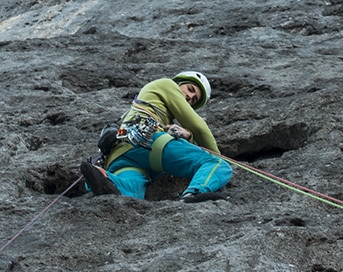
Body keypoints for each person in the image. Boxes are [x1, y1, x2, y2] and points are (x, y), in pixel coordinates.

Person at [80, 71, 232, 202]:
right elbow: (199, 126)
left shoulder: (150, 107)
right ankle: (193, 194)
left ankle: (104, 177)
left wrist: (187, 135)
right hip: (149, 142)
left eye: (193, 99)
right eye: (190, 89)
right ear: (179, 83)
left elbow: (189, 133)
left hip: (119, 153)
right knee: (217, 165)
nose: (189, 96)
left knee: (132, 191)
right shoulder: (167, 84)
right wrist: (217, 156)